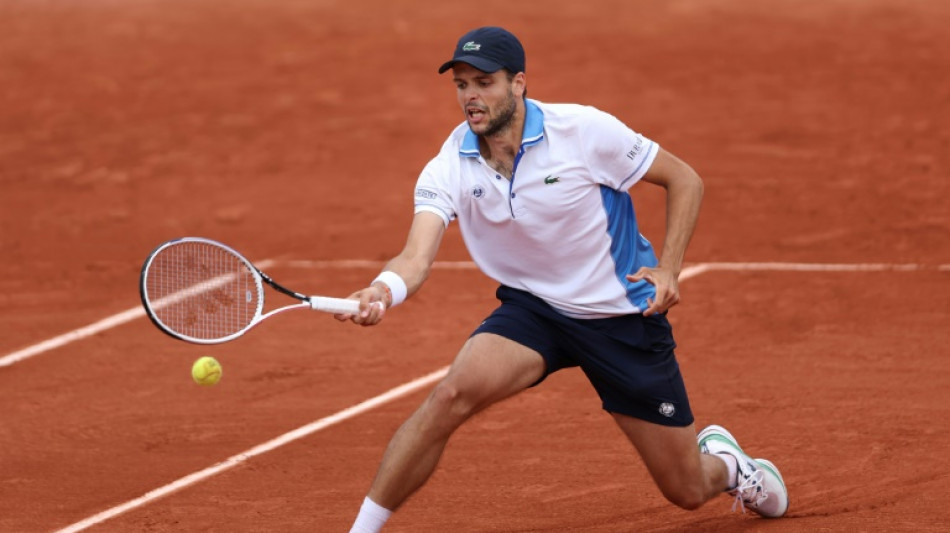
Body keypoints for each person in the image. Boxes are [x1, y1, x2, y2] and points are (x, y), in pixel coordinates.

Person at [338, 26, 789, 532]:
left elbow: (685, 179)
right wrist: (383, 289)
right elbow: (414, 258)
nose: (470, 97)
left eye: (484, 82)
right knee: (449, 396)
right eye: (461, 84)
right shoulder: (451, 164)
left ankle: (728, 466)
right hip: (537, 310)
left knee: (685, 489)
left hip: (621, 315)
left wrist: (668, 267)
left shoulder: (582, 131)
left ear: (519, 83)